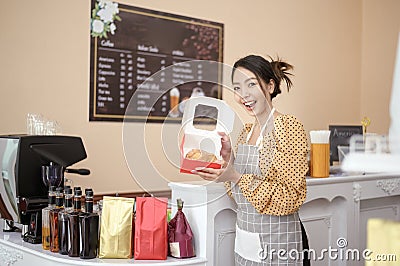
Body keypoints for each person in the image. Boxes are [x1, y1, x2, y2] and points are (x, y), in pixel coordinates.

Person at [191, 55, 310, 265]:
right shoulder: (245, 132)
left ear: (270, 86)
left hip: (278, 245)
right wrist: (228, 163)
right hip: (245, 245)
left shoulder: (288, 127)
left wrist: (236, 176)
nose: (243, 95)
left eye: (251, 84)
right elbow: (239, 194)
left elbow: (291, 197)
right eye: (237, 88)